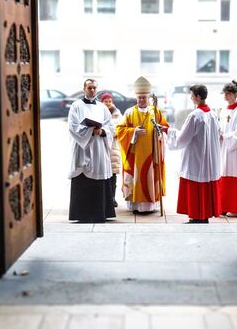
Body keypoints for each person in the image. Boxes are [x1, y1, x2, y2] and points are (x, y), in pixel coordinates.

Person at [167, 84, 221, 223]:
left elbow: (183, 139)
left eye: (192, 95)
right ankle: (204, 216)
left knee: (195, 186)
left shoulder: (195, 115)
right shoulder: (212, 114)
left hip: (196, 158)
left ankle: (197, 217)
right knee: (205, 185)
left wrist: (169, 132)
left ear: (198, 97)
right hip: (209, 158)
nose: (191, 98)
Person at [116, 76, 169, 213]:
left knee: (149, 176)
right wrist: (133, 132)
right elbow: (120, 130)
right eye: (139, 98)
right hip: (135, 154)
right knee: (138, 176)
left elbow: (164, 127)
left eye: (144, 98)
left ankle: (150, 205)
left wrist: (160, 132)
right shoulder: (129, 112)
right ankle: (136, 205)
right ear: (136, 98)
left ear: (148, 98)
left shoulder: (155, 111)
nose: (141, 100)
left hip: (152, 153)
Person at [67, 79, 116, 223]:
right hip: (83, 147)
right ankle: (82, 214)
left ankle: (100, 213)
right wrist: (90, 131)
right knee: (83, 178)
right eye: (90, 87)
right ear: (84, 88)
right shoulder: (76, 106)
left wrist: (102, 132)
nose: (92, 90)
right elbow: (72, 126)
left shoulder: (102, 107)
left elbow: (111, 126)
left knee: (99, 179)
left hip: (99, 148)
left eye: (94, 88)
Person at [219, 83, 237, 216]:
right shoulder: (223, 110)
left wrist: (226, 137)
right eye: (225, 93)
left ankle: (234, 208)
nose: (227, 96)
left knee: (233, 174)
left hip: (234, 149)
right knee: (223, 174)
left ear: (235, 94)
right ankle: (223, 206)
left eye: (229, 93)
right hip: (223, 148)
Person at [100, 92, 123, 207]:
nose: (108, 103)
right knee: (103, 174)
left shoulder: (117, 114)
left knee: (113, 175)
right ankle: (104, 198)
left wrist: (104, 131)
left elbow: (118, 130)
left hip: (113, 148)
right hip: (102, 146)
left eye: (109, 101)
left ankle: (112, 198)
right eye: (105, 101)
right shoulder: (98, 113)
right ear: (102, 102)